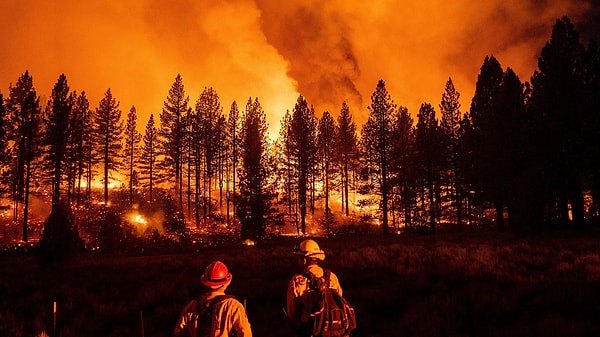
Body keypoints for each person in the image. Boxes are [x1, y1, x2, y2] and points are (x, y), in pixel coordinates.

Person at [174, 260, 252, 337]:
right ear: (227, 283)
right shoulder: (234, 307)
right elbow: (245, 334)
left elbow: (178, 332)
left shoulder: (191, 307)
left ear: (204, 282)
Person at [286, 239, 343, 337]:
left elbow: (292, 313)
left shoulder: (297, 280)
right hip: (334, 330)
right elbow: (339, 300)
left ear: (304, 260)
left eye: (298, 258)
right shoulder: (332, 277)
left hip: (310, 330)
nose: (298, 262)